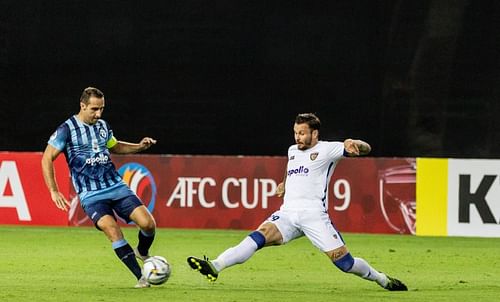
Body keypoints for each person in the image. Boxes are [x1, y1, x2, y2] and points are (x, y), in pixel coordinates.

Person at [187, 113, 407, 291]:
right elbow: (291, 168)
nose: (297, 137)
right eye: (295, 132)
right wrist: (284, 184)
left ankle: (382, 279)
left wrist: (355, 143)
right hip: (288, 214)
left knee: (345, 264)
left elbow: (366, 148)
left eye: (302, 133)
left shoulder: (328, 149)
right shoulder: (293, 150)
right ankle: (215, 266)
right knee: (258, 236)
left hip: (314, 216)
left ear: (314, 133)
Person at [41, 87, 158, 288]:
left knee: (148, 224)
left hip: (116, 186)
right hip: (91, 194)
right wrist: (53, 190)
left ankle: (142, 252)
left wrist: (139, 146)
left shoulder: (102, 125)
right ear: (83, 105)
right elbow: (47, 159)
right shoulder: (66, 129)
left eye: (102, 109)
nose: (98, 114)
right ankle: (142, 277)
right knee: (112, 229)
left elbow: (114, 146)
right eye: (94, 109)